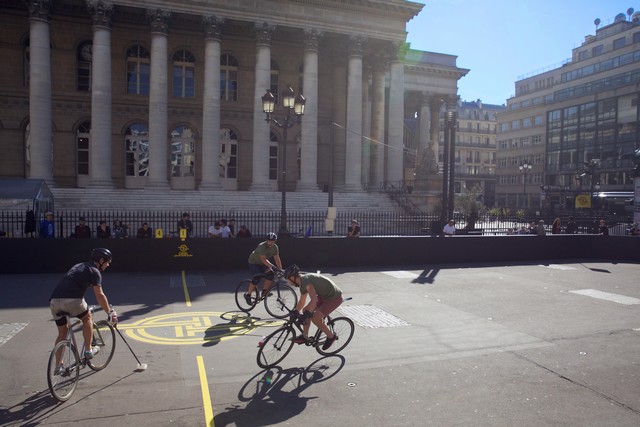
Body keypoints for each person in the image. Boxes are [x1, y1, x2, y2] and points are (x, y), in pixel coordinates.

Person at [49, 248, 118, 366]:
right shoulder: (94, 271)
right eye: (107, 262)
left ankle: (58, 366)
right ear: (101, 260)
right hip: (72, 300)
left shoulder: (79, 266)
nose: (107, 265)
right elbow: (100, 295)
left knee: (62, 333)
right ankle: (88, 350)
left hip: (54, 301)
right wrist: (110, 312)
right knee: (87, 318)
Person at [284, 265, 343, 351]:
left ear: (293, 277)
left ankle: (331, 337)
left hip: (334, 298)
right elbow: (302, 301)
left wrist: (307, 314)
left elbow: (314, 299)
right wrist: (296, 311)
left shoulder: (306, 282)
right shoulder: (302, 283)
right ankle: (305, 336)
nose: (289, 283)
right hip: (324, 295)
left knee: (315, 318)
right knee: (305, 310)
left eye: (288, 280)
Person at [245, 232, 283, 302]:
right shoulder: (261, 246)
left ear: (274, 241)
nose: (270, 242)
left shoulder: (275, 247)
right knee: (257, 278)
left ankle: (264, 292)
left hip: (263, 264)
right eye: (269, 240)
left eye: (272, 241)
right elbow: (263, 259)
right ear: (266, 240)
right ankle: (248, 295)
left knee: (270, 274)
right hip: (254, 263)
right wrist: (273, 266)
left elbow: (277, 258)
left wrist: (280, 269)